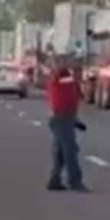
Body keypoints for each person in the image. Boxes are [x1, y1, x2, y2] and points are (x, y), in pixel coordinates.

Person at [46, 57, 88, 192]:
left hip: (64, 117)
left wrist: (75, 121)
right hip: (62, 117)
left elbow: (74, 98)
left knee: (61, 151)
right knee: (70, 150)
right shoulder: (61, 78)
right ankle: (75, 181)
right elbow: (70, 96)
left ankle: (54, 180)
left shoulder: (67, 81)